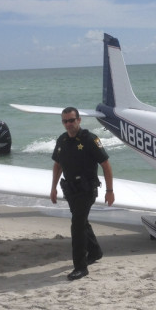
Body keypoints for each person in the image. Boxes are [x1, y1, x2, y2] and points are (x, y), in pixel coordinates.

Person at [51, 107, 114, 280]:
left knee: (77, 226)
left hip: (87, 190)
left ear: (79, 120)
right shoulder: (62, 140)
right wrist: (53, 188)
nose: (68, 124)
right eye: (65, 121)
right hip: (71, 190)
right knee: (82, 221)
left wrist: (109, 191)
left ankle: (80, 267)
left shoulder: (90, 140)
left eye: (72, 120)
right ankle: (95, 251)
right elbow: (58, 165)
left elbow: (106, 165)